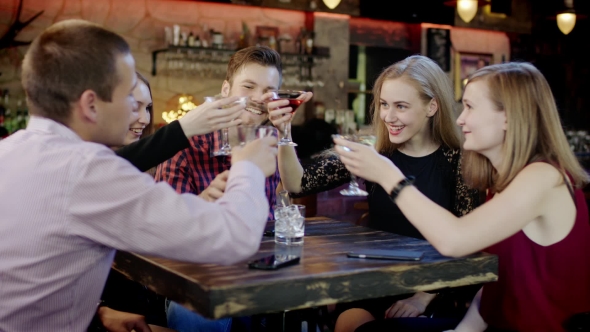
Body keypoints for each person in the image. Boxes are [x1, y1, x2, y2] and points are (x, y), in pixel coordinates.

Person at [0, 19, 278, 331]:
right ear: (91, 104)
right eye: (128, 94)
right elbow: (233, 239)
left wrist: (98, 313)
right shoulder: (92, 171)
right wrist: (248, 167)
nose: (137, 109)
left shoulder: (8, 154)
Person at [334, 62, 590, 332]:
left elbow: (453, 241)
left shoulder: (543, 177)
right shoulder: (507, 182)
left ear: (508, 116)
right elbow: (496, 287)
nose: (460, 118)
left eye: (470, 107)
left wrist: (389, 176)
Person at [272, 55, 481, 332]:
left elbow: (468, 246)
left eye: (401, 106)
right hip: (375, 282)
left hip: (434, 287)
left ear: (432, 106)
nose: (388, 116)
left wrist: (422, 299)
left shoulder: (461, 162)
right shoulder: (375, 152)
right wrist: (283, 130)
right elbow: (297, 184)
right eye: (384, 104)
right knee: (350, 324)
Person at [155, 46, 312, 332]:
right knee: (195, 311)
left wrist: (285, 131)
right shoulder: (185, 146)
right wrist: (202, 204)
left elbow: (295, 188)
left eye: (269, 91)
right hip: (202, 273)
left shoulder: (271, 145)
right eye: (248, 86)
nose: (258, 98)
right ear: (226, 89)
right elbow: (162, 234)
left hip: (260, 270)